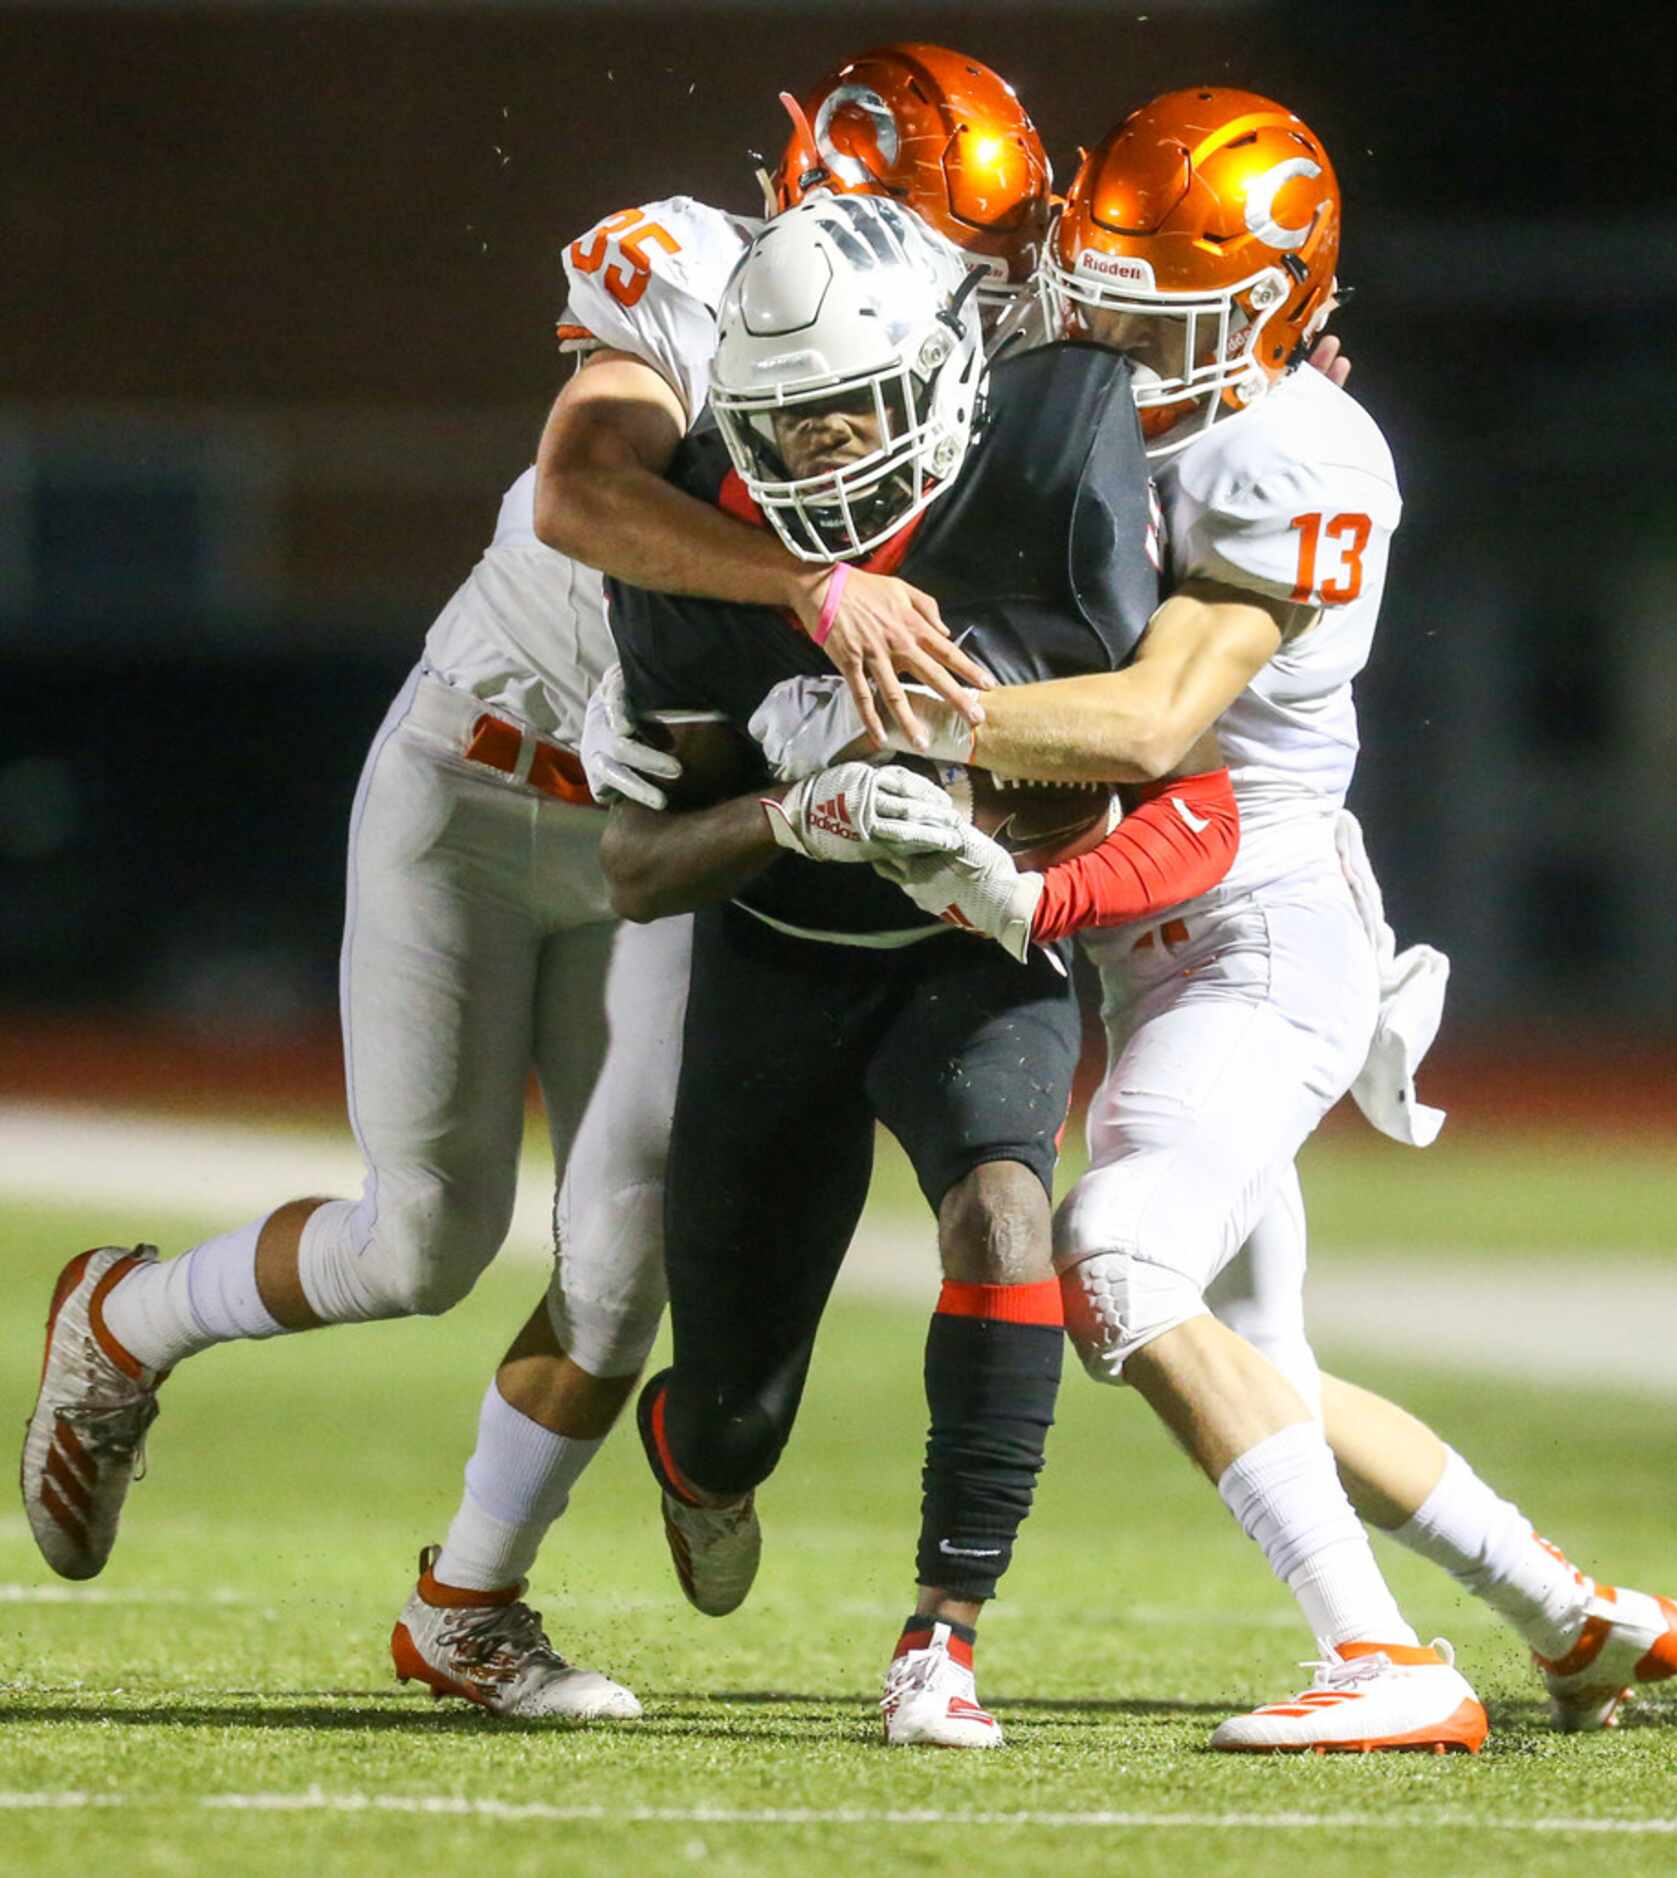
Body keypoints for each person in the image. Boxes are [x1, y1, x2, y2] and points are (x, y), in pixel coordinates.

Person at [18, 47, 1040, 1721]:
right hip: (488, 779)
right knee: (420, 1239)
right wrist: (813, 589)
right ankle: (128, 1317)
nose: (952, 300)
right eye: (940, 248)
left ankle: (465, 1606)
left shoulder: (956, 353)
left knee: (622, 1246)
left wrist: (1273, 389)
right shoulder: (691, 269)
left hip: (676, 829)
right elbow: (580, 490)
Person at [776, 86, 1677, 1746]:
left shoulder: (1298, 445)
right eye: (1099, 292)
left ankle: (1383, 1658)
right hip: (1156, 933)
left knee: (1116, 1265)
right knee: (1256, 1344)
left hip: (1254, 925)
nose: (1115, 337)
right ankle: (1574, 1616)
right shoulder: (1108, 400)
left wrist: (898, 720)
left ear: (1269, 307)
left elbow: (1138, 729)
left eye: (1160, 313)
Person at [598, 192, 1242, 1749]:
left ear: (947, 378)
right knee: (731, 1418)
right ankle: (694, 1458)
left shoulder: (1054, 444)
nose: (815, 453)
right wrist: (788, 808)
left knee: (1005, 1204)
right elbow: (634, 868)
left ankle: (941, 1634)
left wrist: (991, 829)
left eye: (847, 413)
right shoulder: (695, 534)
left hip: (968, 949)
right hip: (779, 958)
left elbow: (1178, 784)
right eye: (782, 424)